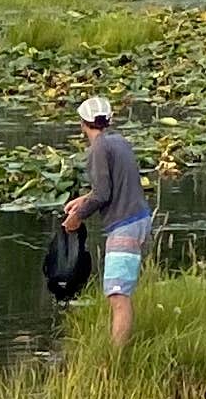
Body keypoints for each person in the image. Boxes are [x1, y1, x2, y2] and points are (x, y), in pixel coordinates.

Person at [61, 91, 152, 354]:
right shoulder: (120, 142)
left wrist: (76, 218)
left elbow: (103, 194)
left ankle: (116, 358)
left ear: (83, 124)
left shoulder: (98, 149)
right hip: (139, 220)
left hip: (124, 225)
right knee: (120, 293)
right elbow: (110, 187)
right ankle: (119, 352)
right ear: (108, 120)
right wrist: (81, 200)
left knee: (117, 296)